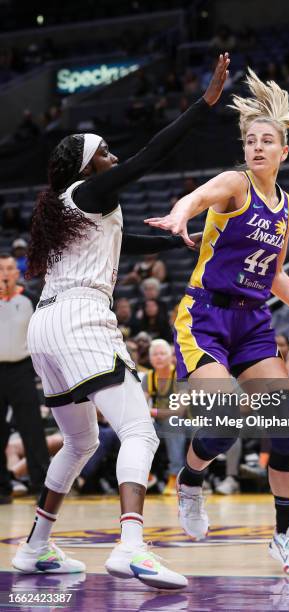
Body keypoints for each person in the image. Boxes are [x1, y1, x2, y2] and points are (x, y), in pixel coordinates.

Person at [11, 53, 230, 589]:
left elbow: (120, 243)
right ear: (88, 167)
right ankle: (131, 546)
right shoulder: (89, 191)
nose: (114, 156)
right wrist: (202, 107)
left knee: (81, 444)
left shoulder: (74, 208)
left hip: (47, 326)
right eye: (105, 152)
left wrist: (181, 238)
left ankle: (36, 548)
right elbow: (153, 154)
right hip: (83, 320)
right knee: (138, 430)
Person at [146, 68, 289, 575]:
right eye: (251, 140)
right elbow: (197, 197)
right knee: (227, 417)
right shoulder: (235, 184)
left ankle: (287, 534)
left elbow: (276, 273)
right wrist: (180, 215)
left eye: (267, 141)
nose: (257, 148)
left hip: (254, 321)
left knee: (284, 427)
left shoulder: (288, 208)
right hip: (206, 315)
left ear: (284, 151)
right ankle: (191, 480)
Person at [0, 254, 49, 504]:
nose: (5, 273)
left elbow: (42, 333)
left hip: (22, 369)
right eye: (1, 269)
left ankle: (40, 483)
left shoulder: (30, 299)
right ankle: (2, 487)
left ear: (16, 273)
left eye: (9, 268)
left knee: (32, 428)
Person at [142, 339, 185, 495]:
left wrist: (151, 412)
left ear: (170, 356)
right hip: (159, 425)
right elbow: (140, 406)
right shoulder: (148, 377)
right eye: (155, 354)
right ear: (150, 358)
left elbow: (179, 411)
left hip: (186, 423)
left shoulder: (180, 374)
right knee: (137, 429)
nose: (158, 357)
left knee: (172, 423)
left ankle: (175, 477)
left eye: (162, 353)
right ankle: (146, 475)